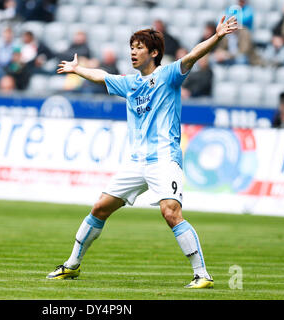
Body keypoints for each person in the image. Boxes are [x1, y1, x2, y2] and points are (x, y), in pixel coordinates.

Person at [47, 15, 239, 289]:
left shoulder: (168, 76)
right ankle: (72, 265)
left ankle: (202, 274)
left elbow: (194, 55)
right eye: (132, 47)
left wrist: (218, 37)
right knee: (100, 207)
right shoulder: (130, 83)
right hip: (136, 162)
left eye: (138, 47)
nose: (133, 52)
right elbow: (102, 76)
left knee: (171, 212)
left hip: (164, 159)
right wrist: (78, 70)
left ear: (154, 52)